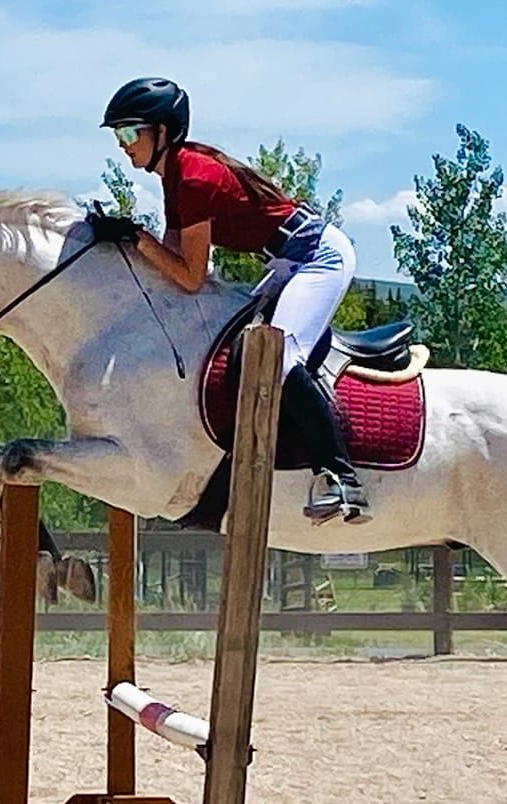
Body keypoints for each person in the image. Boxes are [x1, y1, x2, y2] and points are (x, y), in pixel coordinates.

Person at [88, 76, 370, 525]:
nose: (122, 145)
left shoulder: (194, 178)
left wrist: (134, 238)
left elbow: (190, 277)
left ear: (162, 132)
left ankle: (340, 478)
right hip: (284, 261)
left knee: (276, 359)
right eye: (118, 135)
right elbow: (171, 268)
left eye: (128, 133)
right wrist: (123, 242)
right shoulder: (176, 175)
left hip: (318, 257)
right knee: (238, 350)